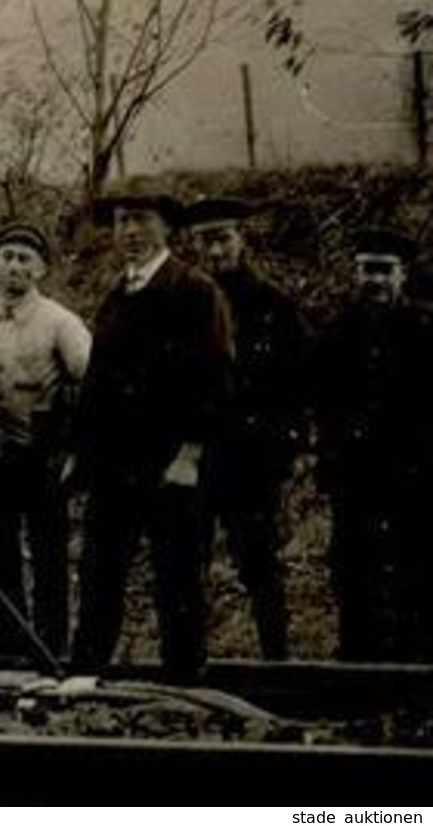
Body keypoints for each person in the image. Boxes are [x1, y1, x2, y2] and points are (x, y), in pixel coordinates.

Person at [67, 191, 234, 681]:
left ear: (167, 228)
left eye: (140, 221)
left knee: (177, 575)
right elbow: (97, 381)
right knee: (100, 570)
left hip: (169, 462)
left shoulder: (196, 290)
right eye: (121, 223)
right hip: (113, 462)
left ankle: (184, 678)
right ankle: (87, 671)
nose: (129, 232)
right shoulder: (118, 294)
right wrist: (80, 451)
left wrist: (190, 454)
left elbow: (216, 380)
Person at [183, 197, 308, 661]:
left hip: (252, 459)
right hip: (193, 457)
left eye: (222, 239)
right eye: (204, 242)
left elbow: (298, 382)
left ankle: (276, 658)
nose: (214, 253)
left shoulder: (273, 303)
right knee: (187, 563)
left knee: (258, 564)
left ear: (242, 239)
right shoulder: (183, 301)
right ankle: (190, 660)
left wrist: (282, 447)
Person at [0, 221, 90, 660]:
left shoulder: (61, 323)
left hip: (42, 460)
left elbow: (91, 388)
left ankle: (50, 651)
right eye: (7, 257)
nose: (14, 266)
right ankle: (7, 651)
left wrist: (76, 452)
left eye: (25, 258)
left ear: (40, 269)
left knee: (49, 558)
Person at [314, 227, 433, 662]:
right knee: (353, 569)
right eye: (367, 270)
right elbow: (324, 404)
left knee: (417, 567)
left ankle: (417, 661)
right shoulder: (337, 332)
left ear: (403, 275)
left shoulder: (425, 328)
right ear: (355, 273)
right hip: (355, 474)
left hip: (416, 473)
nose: (376, 281)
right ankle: (358, 658)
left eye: (385, 271)